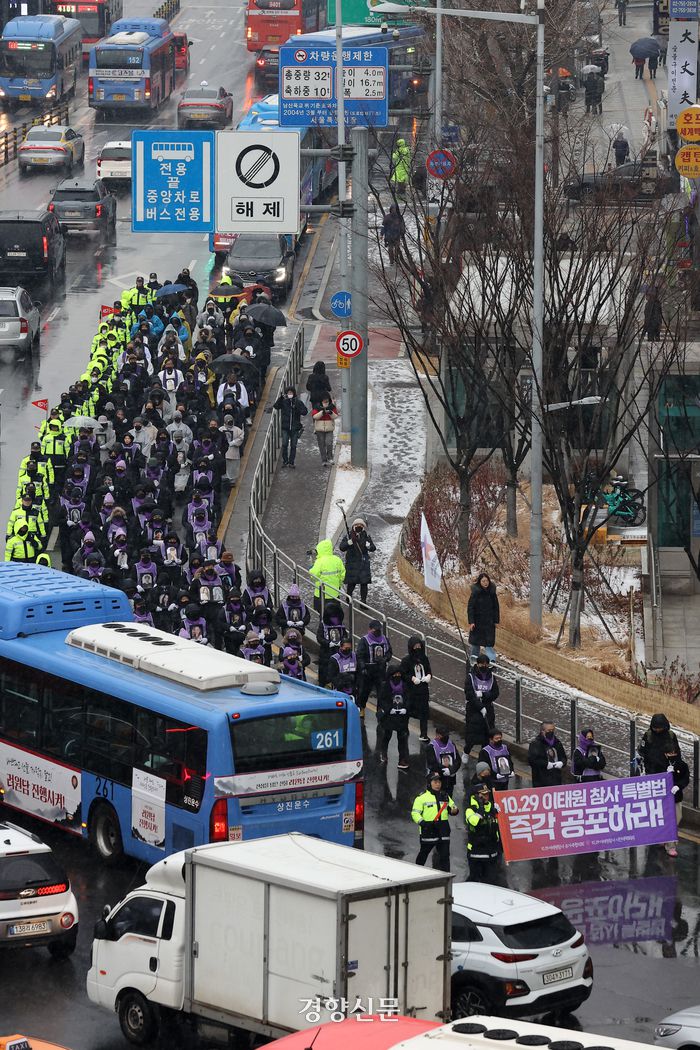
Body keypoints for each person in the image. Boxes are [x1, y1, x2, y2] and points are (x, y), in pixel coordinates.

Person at [411, 772, 458, 871]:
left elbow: (453, 807)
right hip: (428, 830)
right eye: (435, 782)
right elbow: (415, 813)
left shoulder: (445, 795)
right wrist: (423, 823)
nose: (438, 784)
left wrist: (454, 810)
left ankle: (446, 877)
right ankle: (416, 873)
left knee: (445, 857)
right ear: (429, 783)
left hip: (443, 830)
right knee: (423, 855)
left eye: (439, 781)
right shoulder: (421, 798)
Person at [464, 781, 502, 883]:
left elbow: (497, 828)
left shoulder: (492, 808)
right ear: (476, 796)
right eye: (483, 794)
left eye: (487, 794)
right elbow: (474, 822)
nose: (486, 796)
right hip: (476, 854)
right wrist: (481, 809)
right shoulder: (470, 809)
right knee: (475, 881)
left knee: (491, 881)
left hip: (491, 853)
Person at [377, 662, 410, 769]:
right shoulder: (385, 685)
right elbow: (382, 700)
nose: (397, 676)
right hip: (389, 716)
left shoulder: (405, 685)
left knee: (402, 738)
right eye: (395, 674)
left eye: (399, 674)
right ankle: (383, 753)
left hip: (401, 716)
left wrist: (405, 708)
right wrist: (389, 709)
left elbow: (409, 698)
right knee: (387, 735)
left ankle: (402, 759)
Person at [464, 654, 498, 756]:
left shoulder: (491, 677)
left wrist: (484, 695)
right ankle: (466, 752)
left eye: (486, 665)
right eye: (482, 664)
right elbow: (469, 695)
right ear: (477, 664)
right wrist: (480, 706)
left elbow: (495, 693)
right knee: (472, 735)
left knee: (487, 734)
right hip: (474, 710)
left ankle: (484, 756)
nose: (484, 666)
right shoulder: (471, 677)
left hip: (488, 709)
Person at [356, 619, 392, 717]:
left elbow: (389, 652)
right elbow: (360, 655)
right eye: (375, 629)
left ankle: (380, 710)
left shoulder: (384, 639)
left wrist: (385, 659)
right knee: (364, 691)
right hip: (368, 670)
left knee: (381, 692)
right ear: (370, 629)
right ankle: (361, 708)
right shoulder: (364, 640)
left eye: (378, 629)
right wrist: (362, 667)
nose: (377, 631)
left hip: (380, 669)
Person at [400, 635, 432, 742]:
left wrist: (428, 676)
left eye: (419, 646)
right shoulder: (406, 660)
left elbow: (429, 671)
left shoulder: (424, 659)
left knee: (424, 713)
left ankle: (424, 734)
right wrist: (412, 678)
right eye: (415, 646)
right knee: (408, 711)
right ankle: (404, 729)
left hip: (423, 691)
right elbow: (403, 674)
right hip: (411, 691)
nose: (418, 648)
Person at [339, 518, 375, 604]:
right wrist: (349, 542)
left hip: (363, 563)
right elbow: (342, 547)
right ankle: (348, 598)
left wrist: (369, 546)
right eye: (357, 525)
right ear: (353, 526)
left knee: (364, 584)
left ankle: (363, 602)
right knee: (351, 583)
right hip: (352, 563)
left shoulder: (366, 536)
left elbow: (373, 548)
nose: (359, 527)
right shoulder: (349, 536)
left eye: (361, 525)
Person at [663, 745, 689, 858]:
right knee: (668, 821)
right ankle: (670, 845)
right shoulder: (661, 763)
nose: (671, 755)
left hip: (676, 797)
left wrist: (678, 786)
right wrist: (665, 773)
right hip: (662, 798)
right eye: (669, 753)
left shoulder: (682, 765)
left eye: (674, 753)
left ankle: (667, 839)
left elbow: (686, 778)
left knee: (677, 818)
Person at [273, 385, 307, 469]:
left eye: (291, 392)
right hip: (285, 427)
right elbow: (276, 406)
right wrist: (280, 398)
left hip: (295, 428)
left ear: (294, 393)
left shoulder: (298, 402)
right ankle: (285, 461)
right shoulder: (284, 402)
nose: (290, 394)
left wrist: (297, 409)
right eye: (288, 393)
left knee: (293, 445)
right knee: (284, 444)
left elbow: (304, 411)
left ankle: (291, 462)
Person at [468, 573, 499, 662]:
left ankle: (492, 663)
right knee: (475, 644)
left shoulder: (492, 592)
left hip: (489, 622)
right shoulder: (475, 592)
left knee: (489, 644)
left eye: (487, 581)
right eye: (483, 581)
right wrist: (471, 621)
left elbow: (496, 607)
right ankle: (473, 662)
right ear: (480, 582)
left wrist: (496, 621)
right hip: (477, 623)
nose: (485, 583)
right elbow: (470, 608)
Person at [528, 721, 567, 787]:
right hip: (541, 781)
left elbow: (563, 757)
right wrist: (546, 764)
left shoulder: (557, 743)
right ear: (542, 731)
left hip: (556, 779)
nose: (551, 732)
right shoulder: (536, 744)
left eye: (553, 730)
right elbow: (532, 761)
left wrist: (562, 763)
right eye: (549, 730)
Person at [426, 726, 462, 796]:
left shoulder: (451, 744)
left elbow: (458, 760)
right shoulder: (431, 747)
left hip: (450, 780)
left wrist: (451, 770)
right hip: (437, 780)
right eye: (444, 735)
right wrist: (443, 770)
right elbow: (432, 764)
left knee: (448, 800)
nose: (446, 737)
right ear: (438, 735)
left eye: (447, 735)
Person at [311, 395, 338, 468]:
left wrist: (330, 413)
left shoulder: (332, 407)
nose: (326, 403)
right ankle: (324, 460)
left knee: (329, 442)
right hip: (319, 429)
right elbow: (314, 416)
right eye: (324, 402)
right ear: (321, 402)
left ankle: (330, 457)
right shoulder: (317, 407)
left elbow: (335, 416)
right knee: (322, 444)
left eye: (327, 401)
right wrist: (322, 412)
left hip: (329, 428)